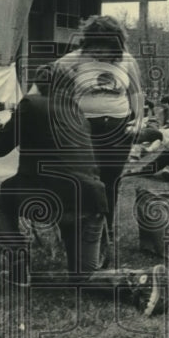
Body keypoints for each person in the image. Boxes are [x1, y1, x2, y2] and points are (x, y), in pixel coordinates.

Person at [0, 64, 164, 316]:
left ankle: (18, 268)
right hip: (91, 201)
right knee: (84, 276)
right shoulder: (76, 112)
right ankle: (139, 280)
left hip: (54, 200)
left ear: (39, 84)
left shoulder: (31, 104)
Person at [52, 15, 142, 264]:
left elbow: (136, 92)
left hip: (119, 130)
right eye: (97, 49)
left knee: (109, 183)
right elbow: (46, 82)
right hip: (83, 129)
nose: (101, 54)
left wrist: (138, 120)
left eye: (107, 49)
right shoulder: (73, 59)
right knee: (83, 182)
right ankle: (72, 234)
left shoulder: (127, 60)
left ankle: (105, 235)